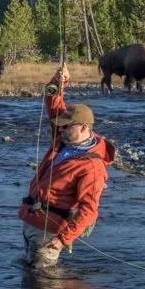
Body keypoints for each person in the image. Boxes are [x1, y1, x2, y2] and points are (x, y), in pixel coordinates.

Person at [19, 64, 115, 269]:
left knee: (44, 287)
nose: (60, 128)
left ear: (84, 128)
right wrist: (57, 82)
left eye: (66, 126)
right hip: (32, 223)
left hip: (50, 232)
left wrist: (63, 239)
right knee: (32, 283)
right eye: (60, 125)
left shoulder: (92, 166)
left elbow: (89, 211)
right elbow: (52, 101)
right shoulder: (63, 139)